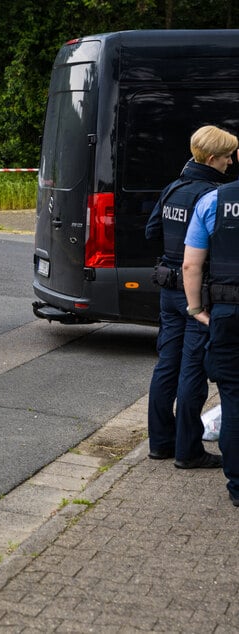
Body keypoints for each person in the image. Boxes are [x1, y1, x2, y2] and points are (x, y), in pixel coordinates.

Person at [144, 125, 236, 469]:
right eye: (227, 156)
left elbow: (152, 231)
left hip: (168, 289)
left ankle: (160, 443)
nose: (230, 162)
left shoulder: (174, 188)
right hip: (196, 293)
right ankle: (188, 451)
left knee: (166, 365)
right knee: (193, 370)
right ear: (212, 158)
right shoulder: (213, 194)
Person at [184, 148, 239, 506]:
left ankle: (237, 485)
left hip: (228, 313)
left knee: (233, 398)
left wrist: (196, 309)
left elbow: (191, 266)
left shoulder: (213, 201)